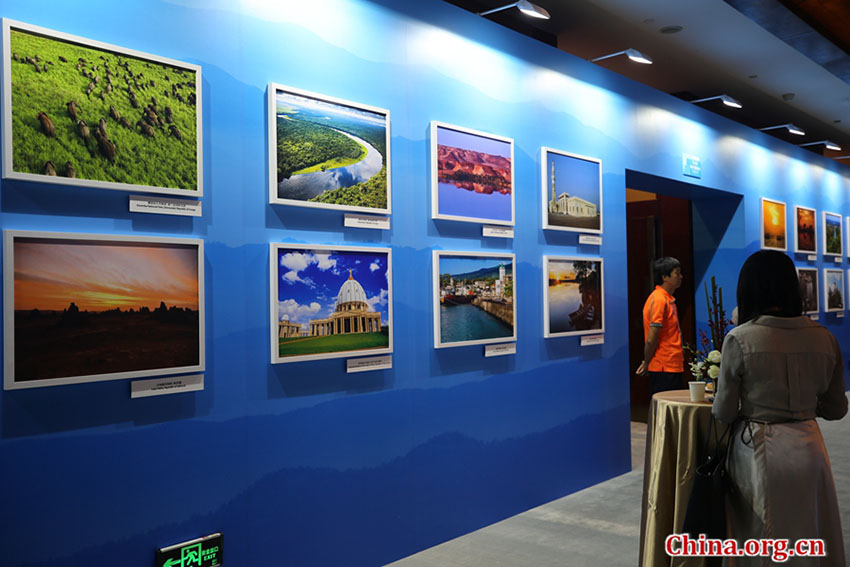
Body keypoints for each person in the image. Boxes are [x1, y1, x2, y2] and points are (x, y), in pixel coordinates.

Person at [714, 250, 846, 566]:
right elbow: (836, 408)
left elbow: (724, 412)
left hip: (759, 446)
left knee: (763, 533)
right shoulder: (824, 338)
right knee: (810, 525)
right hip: (809, 445)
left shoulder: (740, 338)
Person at [636, 257, 684, 395]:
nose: (681, 277)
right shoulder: (659, 299)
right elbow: (652, 338)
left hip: (672, 365)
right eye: (677, 273)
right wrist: (646, 362)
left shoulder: (667, 298)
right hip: (664, 366)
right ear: (664, 277)